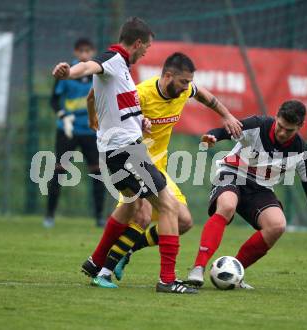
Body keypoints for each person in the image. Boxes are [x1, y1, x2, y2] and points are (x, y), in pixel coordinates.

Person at [52, 17, 196, 294]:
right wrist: (68, 72)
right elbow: (89, 65)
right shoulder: (114, 58)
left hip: (118, 150)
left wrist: (139, 121)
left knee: (133, 208)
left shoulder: (124, 71)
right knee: (168, 206)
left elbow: (115, 102)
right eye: (147, 47)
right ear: (138, 43)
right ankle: (167, 280)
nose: (147, 52)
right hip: (127, 151)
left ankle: (96, 262)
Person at [83, 52, 242, 282]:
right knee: (142, 214)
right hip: (133, 161)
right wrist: (129, 121)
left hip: (159, 169)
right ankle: (105, 269)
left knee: (184, 222)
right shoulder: (141, 93)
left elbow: (205, 96)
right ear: (168, 76)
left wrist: (226, 115)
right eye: (184, 81)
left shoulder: (185, 90)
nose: (188, 87)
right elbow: (94, 95)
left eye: (189, 82)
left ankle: (121, 253)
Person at [187, 100, 307, 289]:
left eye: (289, 130)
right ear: (276, 117)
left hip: (261, 189)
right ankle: (198, 267)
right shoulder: (257, 125)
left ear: (300, 127)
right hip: (232, 173)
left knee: (277, 225)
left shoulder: (301, 151)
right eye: (280, 126)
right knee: (227, 206)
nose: (282, 133)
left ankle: (234, 273)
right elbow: (222, 131)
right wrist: (212, 136)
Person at [44, 38, 105, 228]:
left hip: (89, 131)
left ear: (93, 51)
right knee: (59, 171)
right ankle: (49, 216)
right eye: (81, 51)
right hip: (67, 130)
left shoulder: (98, 73)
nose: (84, 54)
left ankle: (99, 217)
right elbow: (54, 100)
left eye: (88, 51)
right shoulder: (66, 73)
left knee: (97, 172)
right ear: (75, 52)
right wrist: (63, 115)